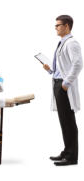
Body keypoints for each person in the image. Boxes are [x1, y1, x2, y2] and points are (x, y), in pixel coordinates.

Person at [43, 15, 83, 166]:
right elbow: (62, 67)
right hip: (57, 83)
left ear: (67, 26)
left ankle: (72, 157)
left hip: (64, 87)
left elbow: (78, 64)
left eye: (58, 25)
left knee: (69, 121)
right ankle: (67, 151)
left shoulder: (72, 43)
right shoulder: (62, 43)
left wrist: (66, 84)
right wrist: (50, 70)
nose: (56, 28)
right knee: (63, 121)